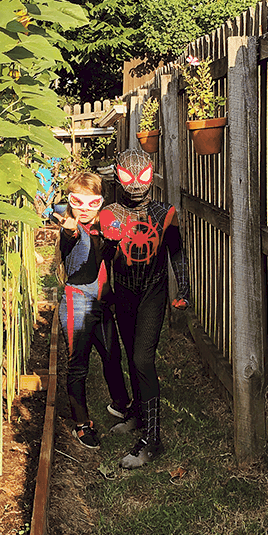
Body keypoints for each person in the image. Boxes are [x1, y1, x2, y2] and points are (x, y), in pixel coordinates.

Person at [99, 149, 190, 468]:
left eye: (142, 176)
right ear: (117, 175)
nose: (136, 184)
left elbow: (176, 253)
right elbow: (101, 259)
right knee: (130, 353)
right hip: (123, 293)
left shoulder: (166, 213)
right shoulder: (109, 213)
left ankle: (153, 439)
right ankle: (138, 413)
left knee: (142, 359)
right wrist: (108, 243)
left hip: (153, 291)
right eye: (128, 176)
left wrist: (185, 288)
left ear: (152, 174)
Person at [54, 171, 131, 449]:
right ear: (70, 201)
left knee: (112, 355)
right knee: (78, 365)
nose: (84, 209)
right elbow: (69, 230)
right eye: (78, 201)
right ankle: (81, 425)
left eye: (92, 203)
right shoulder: (71, 229)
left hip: (101, 302)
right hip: (77, 304)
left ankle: (121, 405)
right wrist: (68, 223)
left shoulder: (102, 226)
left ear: (100, 202)